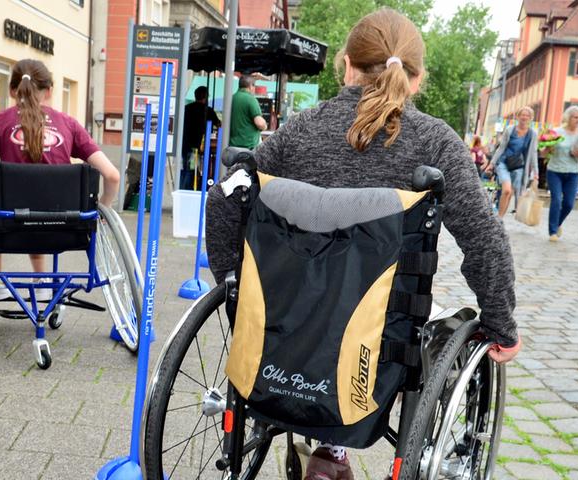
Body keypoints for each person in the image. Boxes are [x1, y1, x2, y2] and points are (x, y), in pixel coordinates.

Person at [206, 9, 519, 480]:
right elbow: (482, 237)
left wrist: (236, 286)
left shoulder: (301, 129)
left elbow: (227, 197)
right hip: (375, 354)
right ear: (416, 79)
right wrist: (501, 323)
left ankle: (327, 450)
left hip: (281, 331)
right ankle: (332, 451)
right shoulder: (433, 142)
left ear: (348, 66)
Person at [0, 59, 120, 299]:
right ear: (50, 91)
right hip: (62, 229)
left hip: (5, 228)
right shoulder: (69, 125)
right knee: (42, 208)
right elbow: (112, 176)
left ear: (12, 90)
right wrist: (102, 210)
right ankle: (42, 282)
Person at [543, 105, 578, 242]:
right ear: (568, 118)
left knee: (568, 204)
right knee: (556, 200)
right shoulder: (556, 131)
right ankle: (552, 232)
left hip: (573, 172)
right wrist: (548, 147)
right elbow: (543, 151)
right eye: (575, 117)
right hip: (555, 170)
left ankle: (558, 223)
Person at [486, 107, 539, 218]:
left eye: (527, 116)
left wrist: (535, 171)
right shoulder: (510, 130)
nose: (524, 117)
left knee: (510, 193)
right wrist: (492, 163)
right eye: (522, 115)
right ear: (518, 116)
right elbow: (501, 148)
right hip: (503, 163)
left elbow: (533, 153)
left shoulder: (532, 134)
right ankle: (499, 218)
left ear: (530, 118)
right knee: (506, 190)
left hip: (519, 166)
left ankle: (500, 218)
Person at [181, 86, 221, 190]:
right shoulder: (208, 111)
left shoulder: (186, 108)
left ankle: (184, 189)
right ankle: (188, 190)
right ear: (206, 97)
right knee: (192, 169)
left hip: (185, 143)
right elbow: (219, 125)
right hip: (198, 145)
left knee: (186, 168)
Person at [228, 75, 267, 150]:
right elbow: (260, 123)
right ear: (250, 86)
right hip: (248, 146)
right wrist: (265, 126)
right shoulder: (250, 99)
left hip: (232, 145)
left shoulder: (232, 98)